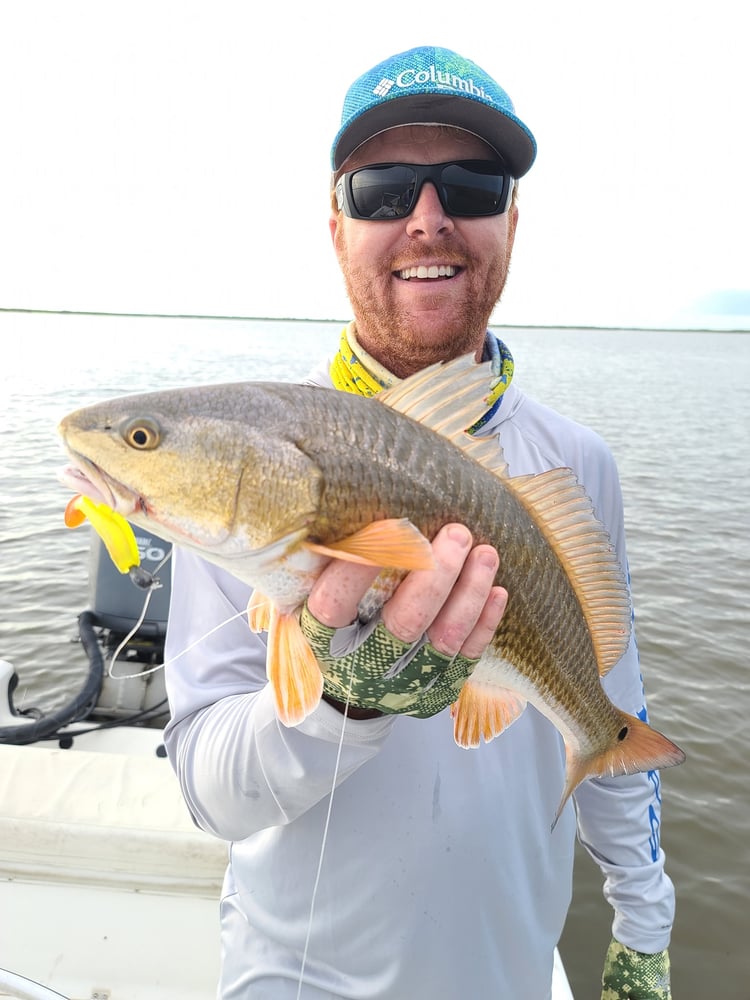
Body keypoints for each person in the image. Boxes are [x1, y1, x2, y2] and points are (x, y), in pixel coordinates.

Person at [163, 45, 676, 999]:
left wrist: (644, 922)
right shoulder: (249, 470)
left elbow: (613, 716)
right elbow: (208, 790)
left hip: (512, 974)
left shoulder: (579, 464)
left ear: (512, 222)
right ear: (335, 225)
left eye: (473, 187)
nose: (428, 218)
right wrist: (338, 706)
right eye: (385, 190)